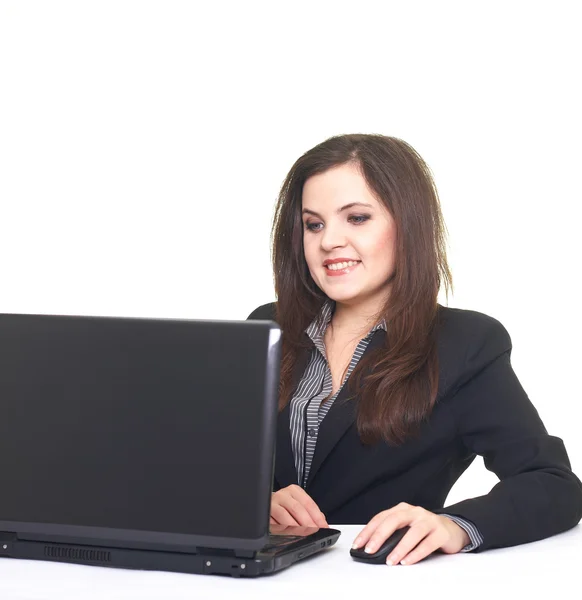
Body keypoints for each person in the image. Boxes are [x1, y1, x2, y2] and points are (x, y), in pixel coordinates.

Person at [247, 133, 582, 566]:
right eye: (314, 224)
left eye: (357, 218)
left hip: (378, 578)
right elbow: (205, 463)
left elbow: (554, 484)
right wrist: (254, 502)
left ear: (407, 225)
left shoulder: (465, 343)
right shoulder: (267, 326)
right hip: (255, 578)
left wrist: (454, 526)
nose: (329, 240)